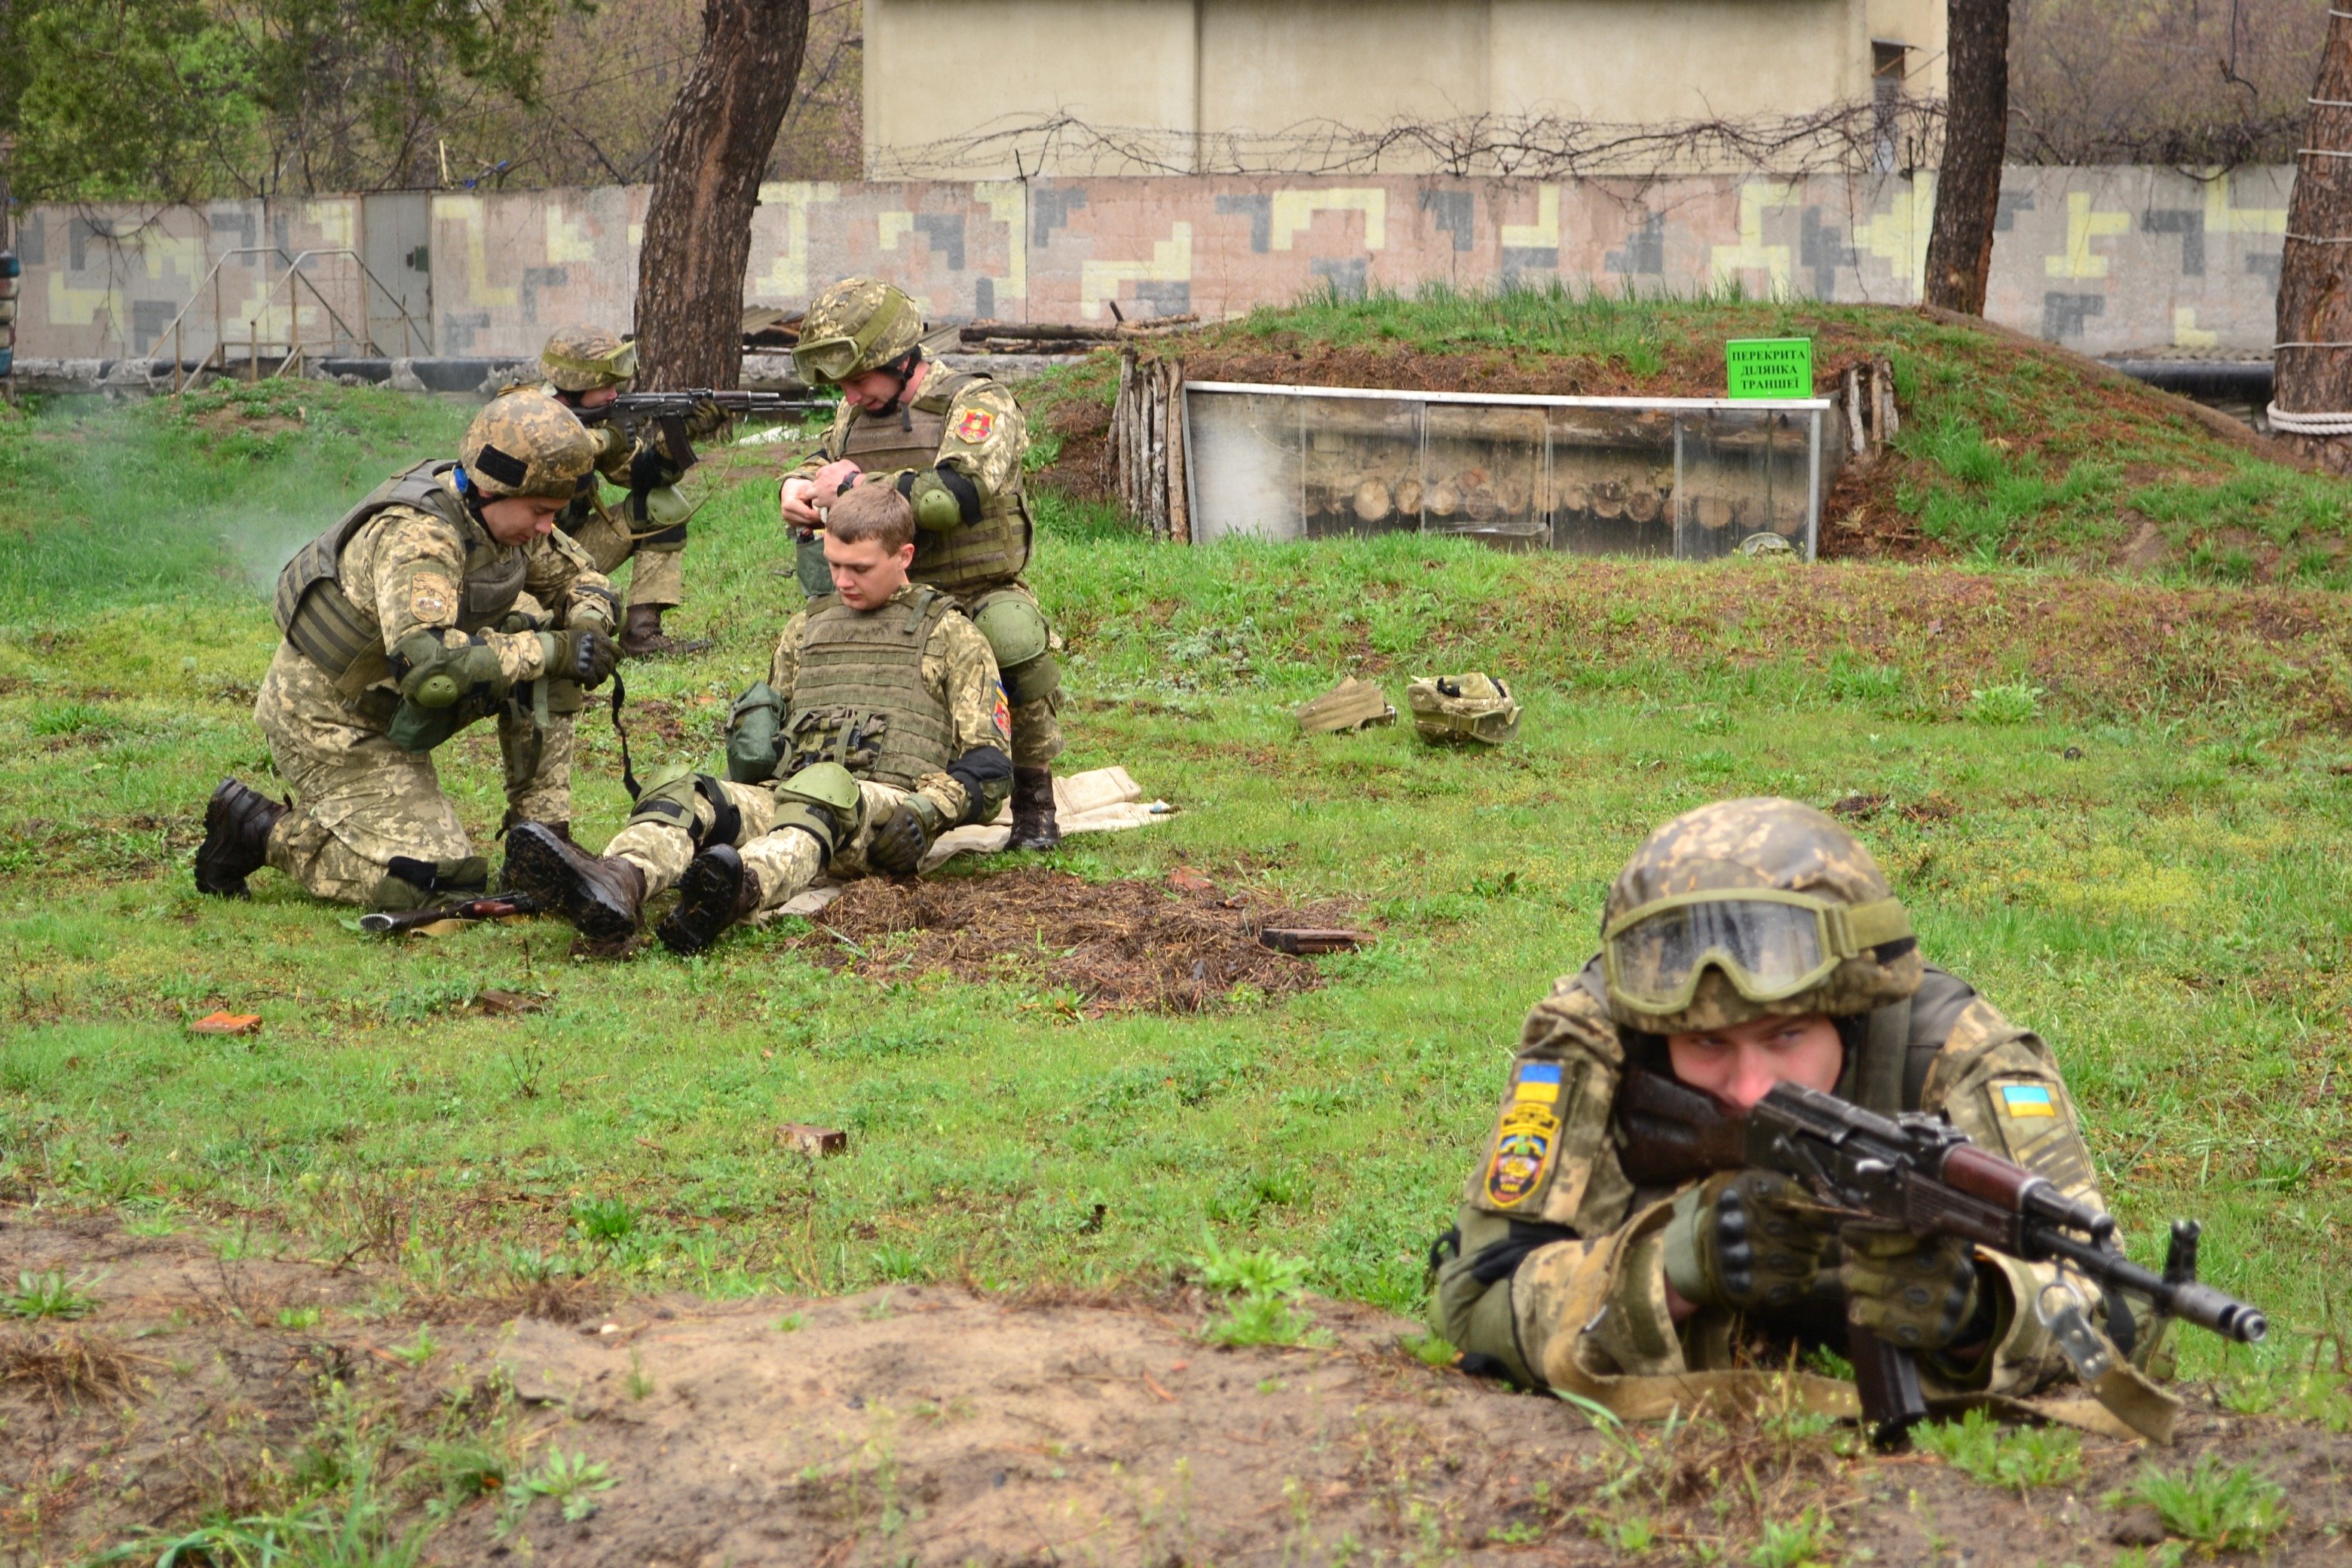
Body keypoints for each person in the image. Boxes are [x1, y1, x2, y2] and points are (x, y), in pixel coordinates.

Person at [1431, 796, 2170, 1433]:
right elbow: (1476, 1304)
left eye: (1786, 1035)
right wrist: (1674, 1268)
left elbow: (2116, 1311)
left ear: (1849, 1015)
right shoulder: (1593, 1043)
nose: (1750, 1086)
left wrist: (1981, 1314)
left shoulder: (1955, 1052)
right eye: (1706, 1043)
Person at [504, 482, 1014, 955]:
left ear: (905, 556)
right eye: (834, 565)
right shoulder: (807, 628)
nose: (841, 581)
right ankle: (615, 885)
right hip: (791, 795)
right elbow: (771, 735)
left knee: (824, 790)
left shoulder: (950, 635)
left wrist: (929, 811)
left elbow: (990, 768)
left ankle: (737, 888)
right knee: (685, 792)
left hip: (884, 811)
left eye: (859, 568)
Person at [194, 392, 620, 911]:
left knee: (550, 642)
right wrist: (554, 649)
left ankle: (542, 845)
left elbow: (585, 577)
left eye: (554, 513)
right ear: (490, 487)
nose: (546, 527)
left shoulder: (506, 519)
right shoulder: (419, 537)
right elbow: (432, 670)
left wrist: (588, 628)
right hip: (332, 723)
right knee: (436, 886)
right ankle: (258, 832)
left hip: (397, 705)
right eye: (538, 512)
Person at [779, 277, 1065, 850]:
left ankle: (1035, 806)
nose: (851, 394)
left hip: (974, 586)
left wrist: (858, 485)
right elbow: (824, 460)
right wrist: (798, 484)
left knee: (1011, 636)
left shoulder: (977, 402)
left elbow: (955, 494)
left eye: (859, 380)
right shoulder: (855, 409)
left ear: (899, 358)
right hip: (889, 589)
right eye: (843, 384)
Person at [499, 325, 727, 657]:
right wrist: (605, 441)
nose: (613, 395)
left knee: (662, 505)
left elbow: (639, 475)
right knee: (531, 629)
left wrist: (679, 437)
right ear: (578, 384)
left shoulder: (595, 419)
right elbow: (548, 445)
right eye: (605, 385)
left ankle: (642, 634)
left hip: (569, 547)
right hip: (515, 561)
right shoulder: (517, 411)